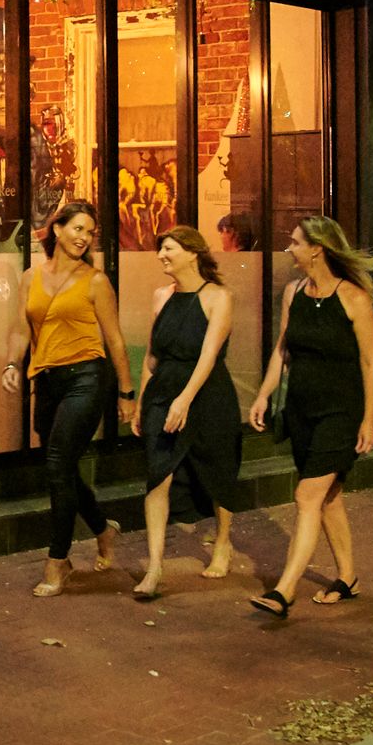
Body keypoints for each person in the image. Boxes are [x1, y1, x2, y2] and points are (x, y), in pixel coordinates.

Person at [247, 216, 373, 617]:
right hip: (302, 411)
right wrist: (264, 394)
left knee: (307, 495)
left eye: (294, 243)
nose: (289, 249)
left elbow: (371, 362)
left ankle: (284, 591)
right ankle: (349, 577)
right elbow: (282, 350)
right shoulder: (294, 293)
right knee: (328, 497)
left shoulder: (354, 298)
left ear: (317, 249)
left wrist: (369, 419)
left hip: (341, 411)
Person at [0, 200, 135, 596]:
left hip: (86, 378)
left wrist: (127, 393)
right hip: (47, 379)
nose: (84, 237)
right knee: (63, 468)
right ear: (57, 230)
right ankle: (103, 529)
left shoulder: (95, 281)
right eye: (78, 228)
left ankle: (57, 562)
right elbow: (22, 329)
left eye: (90, 232)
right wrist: (11, 364)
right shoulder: (30, 277)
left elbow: (115, 340)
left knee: (58, 463)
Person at [129, 226, 242, 600]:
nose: (162, 255)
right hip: (164, 390)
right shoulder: (162, 295)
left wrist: (186, 398)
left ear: (192, 253)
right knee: (157, 475)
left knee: (217, 469)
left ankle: (223, 541)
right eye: (160, 248)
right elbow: (151, 356)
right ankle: (154, 566)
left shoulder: (218, 297)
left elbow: (209, 356)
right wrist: (143, 401)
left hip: (207, 393)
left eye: (169, 248)